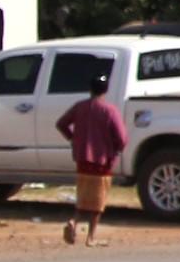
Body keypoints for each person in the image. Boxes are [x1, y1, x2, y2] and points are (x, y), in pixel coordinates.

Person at [53, 62, 129, 246]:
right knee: (97, 202)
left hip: (82, 160)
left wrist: (73, 139)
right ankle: (91, 237)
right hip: (102, 162)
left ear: (90, 88)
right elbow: (122, 138)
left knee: (83, 197)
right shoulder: (110, 110)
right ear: (106, 90)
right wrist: (116, 149)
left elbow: (61, 123)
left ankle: (74, 221)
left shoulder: (80, 107)